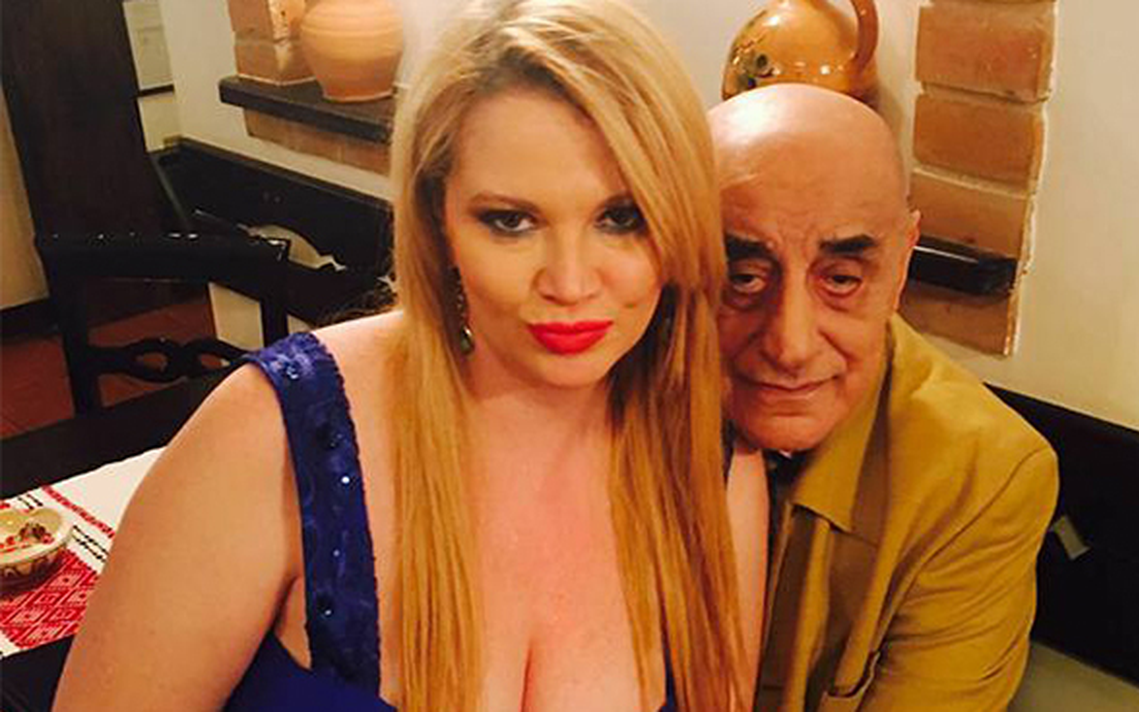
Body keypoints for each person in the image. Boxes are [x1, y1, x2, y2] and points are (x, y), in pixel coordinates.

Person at [54, 1, 767, 710]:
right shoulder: (279, 435)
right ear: (439, 222)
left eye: (622, 217)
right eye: (511, 221)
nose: (571, 282)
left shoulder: (709, 454)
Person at [708, 84, 1058, 712]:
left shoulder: (978, 478)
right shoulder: (609, 404)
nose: (791, 344)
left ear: (900, 266)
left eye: (841, 280)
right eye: (743, 278)